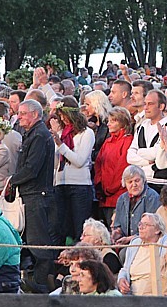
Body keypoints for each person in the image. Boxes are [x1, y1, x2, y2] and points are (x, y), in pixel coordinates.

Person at [11, 99, 56, 291]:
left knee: (39, 245)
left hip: (37, 195)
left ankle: (41, 285)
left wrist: (11, 181)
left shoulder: (39, 136)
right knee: (32, 242)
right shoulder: (32, 134)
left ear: (35, 114)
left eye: (23, 113)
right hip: (31, 194)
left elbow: (31, 168)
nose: (18, 116)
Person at [50, 96, 96, 244]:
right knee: (62, 227)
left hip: (80, 186)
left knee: (79, 227)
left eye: (63, 115)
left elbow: (80, 161)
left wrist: (61, 145)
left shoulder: (86, 133)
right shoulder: (62, 133)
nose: (62, 119)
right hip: (61, 184)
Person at [127, 90, 167, 192]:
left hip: (159, 182)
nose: (146, 108)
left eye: (150, 104)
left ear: (161, 107)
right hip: (141, 180)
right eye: (145, 104)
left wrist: (140, 152)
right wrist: (147, 161)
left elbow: (158, 153)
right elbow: (130, 156)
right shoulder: (142, 126)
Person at [94, 107, 133, 226]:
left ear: (122, 123)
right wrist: (99, 184)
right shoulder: (108, 141)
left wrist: (111, 188)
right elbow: (98, 163)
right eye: (109, 121)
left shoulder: (128, 140)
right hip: (104, 196)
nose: (109, 124)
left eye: (113, 121)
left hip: (118, 194)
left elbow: (123, 167)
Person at [117, 212, 167, 295]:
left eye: (146, 224)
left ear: (157, 230)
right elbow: (125, 269)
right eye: (140, 224)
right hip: (131, 296)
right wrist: (121, 279)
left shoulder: (166, 244)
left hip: (155, 296)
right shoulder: (135, 243)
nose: (140, 227)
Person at [111, 165, 161, 245]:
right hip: (126, 242)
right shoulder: (121, 199)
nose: (134, 185)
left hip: (145, 242)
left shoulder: (152, 197)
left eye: (137, 181)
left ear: (144, 180)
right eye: (130, 182)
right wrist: (116, 234)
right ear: (125, 184)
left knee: (123, 254)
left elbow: (152, 229)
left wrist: (129, 239)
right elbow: (118, 226)